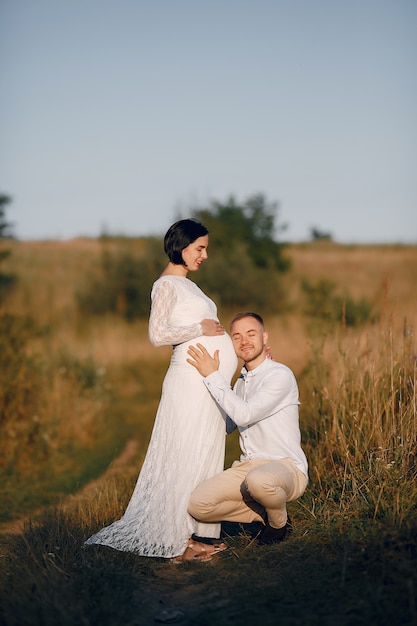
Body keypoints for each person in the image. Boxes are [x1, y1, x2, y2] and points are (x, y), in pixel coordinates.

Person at [85, 219, 238, 562]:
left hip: (207, 382)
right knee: (183, 452)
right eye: (200, 248)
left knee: (204, 453)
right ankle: (176, 539)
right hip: (187, 382)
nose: (205, 255)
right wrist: (199, 327)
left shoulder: (192, 287)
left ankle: (198, 533)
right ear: (181, 247)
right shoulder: (165, 284)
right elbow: (157, 334)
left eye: (206, 248)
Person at [186, 311, 308, 545]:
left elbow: (244, 414)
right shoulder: (241, 382)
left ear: (265, 338)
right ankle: (265, 514)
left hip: (285, 466)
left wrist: (212, 375)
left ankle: (279, 525)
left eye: (251, 334)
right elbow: (228, 424)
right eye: (237, 337)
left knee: (259, 481)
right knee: (199, 504)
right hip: (248, 468)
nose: (244, 341)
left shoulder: (280, 375)